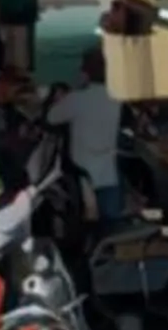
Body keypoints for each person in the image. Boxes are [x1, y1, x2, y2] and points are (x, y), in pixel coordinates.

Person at [48, 47, 127, 219]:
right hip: (109, 174)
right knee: (111, 226)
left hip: (82, 176)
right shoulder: (118, 99)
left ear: (86, 73)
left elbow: (51, 118)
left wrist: (61, 98)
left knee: (85, 226)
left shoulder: (77, 99)